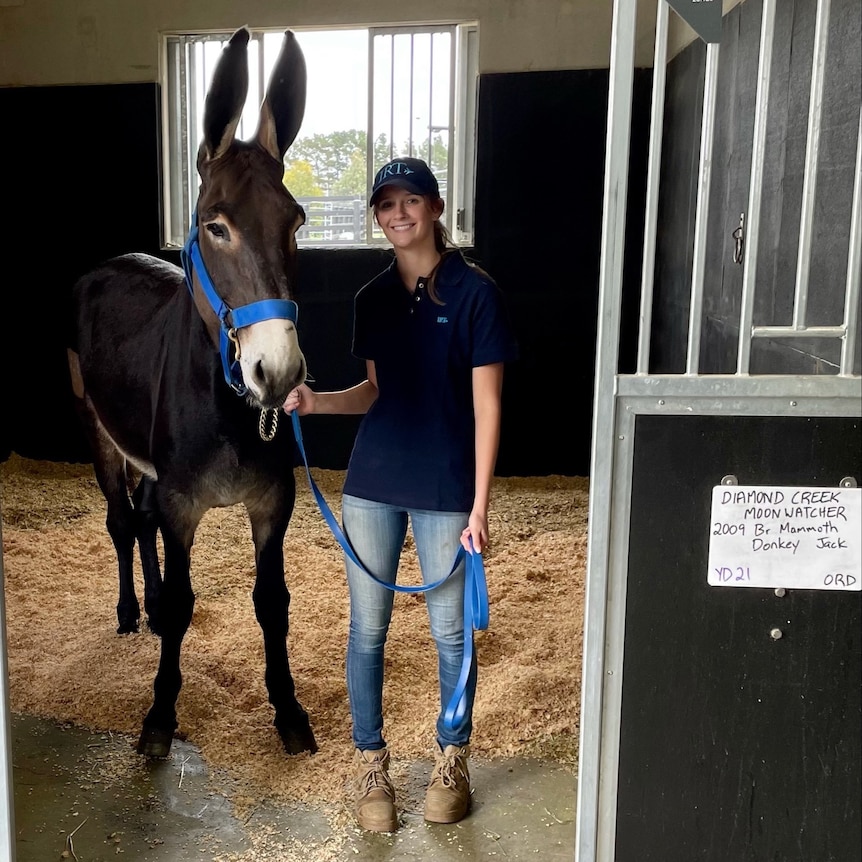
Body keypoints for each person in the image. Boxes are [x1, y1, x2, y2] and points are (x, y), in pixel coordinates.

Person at [283, 156, 518, 832]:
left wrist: (480, 505)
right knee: (367, 632)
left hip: (446, 489)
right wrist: (315, 403)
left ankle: (452, 759)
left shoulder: (477, 295)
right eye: (386, 205)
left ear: (436, 208)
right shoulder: (372, 299)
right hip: (374, 484)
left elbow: (488, 407)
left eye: (410, 201)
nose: (397, 215)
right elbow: (375, 391)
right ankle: (371, 766)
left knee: (452, 636)